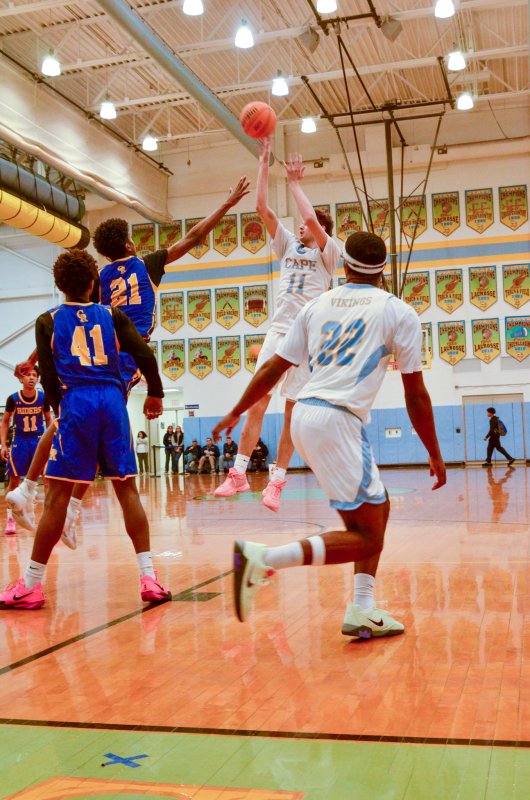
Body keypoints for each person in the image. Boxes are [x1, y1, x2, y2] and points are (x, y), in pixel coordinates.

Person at [213, 231, 446, 638]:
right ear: (383, 269)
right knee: (367, 537)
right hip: (337, 420)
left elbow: (272, 368)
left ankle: (363, 607)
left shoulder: (315, 305)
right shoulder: (399, 312)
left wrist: (237, 409)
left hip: (306, 414)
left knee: (378, 509)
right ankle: (263, 560)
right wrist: (434, 451)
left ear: (344, 264)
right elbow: (416, 395)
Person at [8, 174, 250, 542]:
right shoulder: (148, 264)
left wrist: (34, 358)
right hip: (120, 360)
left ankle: (55, 502)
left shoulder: (100, 278)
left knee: (79, 423)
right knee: (86, 426)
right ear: (128, 244)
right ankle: (33, 492)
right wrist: (228, 204)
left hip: (93, 355)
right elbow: (194, 237)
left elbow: (68, 321)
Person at [0, 249, 171, 610]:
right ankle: (149, 577)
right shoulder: (113, 315)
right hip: (112, 400)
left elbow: (48, 375)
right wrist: (155, 392)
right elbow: (144, 355)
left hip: (76, 401)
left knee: (57, 496)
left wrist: (60, 409)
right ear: (94, 283)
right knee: (128, 491)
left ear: (58, 284)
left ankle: (31, 585)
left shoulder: (47, 320)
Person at [215, 142, 340, 512]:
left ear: (320, 230)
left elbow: (312, 220)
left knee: (291, 412)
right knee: (257, 401)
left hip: (308, 340)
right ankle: (238, 473)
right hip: (279, 331)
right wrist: (263, 163)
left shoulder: (328, 253)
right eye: (299, 223)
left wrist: (296, 184)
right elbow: (262, 209)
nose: (300, 224)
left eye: (306, 223)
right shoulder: (287, 245)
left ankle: (277, 482)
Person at [0, 368, 51, 534]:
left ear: (38, 379)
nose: (31, 378)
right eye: (28, 375)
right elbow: (5, 422)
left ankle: (49, 519)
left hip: (39, 440)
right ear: (21, 379)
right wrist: (3, 445)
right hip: (20, 441)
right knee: (14, 481)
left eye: (34, 375)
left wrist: (52, 440)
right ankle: (10, 519)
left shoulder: (43, 398)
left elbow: (49, 419)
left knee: (48, 479)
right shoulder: (13, 399)